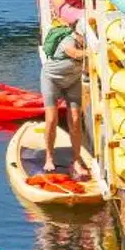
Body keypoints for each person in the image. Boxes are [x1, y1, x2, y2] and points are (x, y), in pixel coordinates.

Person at [38, 17, 87, 176]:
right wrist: (93, 52)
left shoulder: (87, 42)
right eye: (83, 36)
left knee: (75, 120)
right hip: (52, 80)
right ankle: (49, 157)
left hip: (72, 81)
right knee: (51, 119)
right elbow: (74, 53)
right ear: (78, 34)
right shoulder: (69, 40)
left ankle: (77, 160)